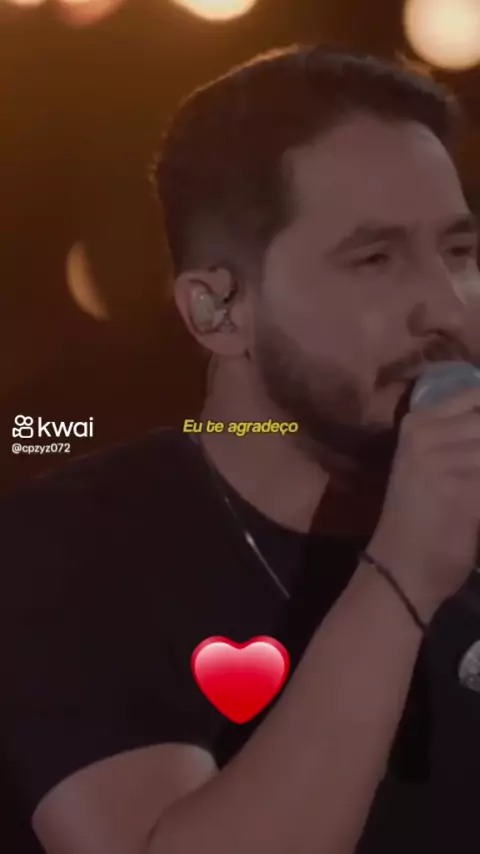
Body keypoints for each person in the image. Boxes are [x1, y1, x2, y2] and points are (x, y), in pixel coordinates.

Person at [2, 44, 480, 854]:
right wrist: (402, 576)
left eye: (460, 252)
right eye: (375, 259)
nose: (445, 305)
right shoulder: (66, 548)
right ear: (218, 312)